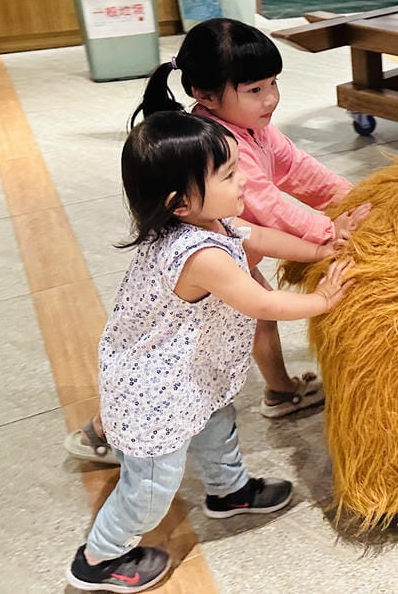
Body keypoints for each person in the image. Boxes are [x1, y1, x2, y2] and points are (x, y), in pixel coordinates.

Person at [67, 111, 353, 591]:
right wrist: (322, 300)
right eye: (229, 174)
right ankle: (99, 556)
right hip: (156, 394)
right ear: (179, 202)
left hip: (194, 373)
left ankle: (228, 490)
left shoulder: (212, 222)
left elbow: (258, 237)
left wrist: (322, 250)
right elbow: (262, 302)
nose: (244, 181)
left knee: (217, 426)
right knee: (150, 485)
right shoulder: (199, 256)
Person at [65, 18, 369, 464]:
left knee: (251, 324)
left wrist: (353, 199)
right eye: (255, 89)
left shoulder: (252, 126)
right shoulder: (215, 144)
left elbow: (297, 170)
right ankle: (107, 430)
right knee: (166, 362)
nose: (271, 98)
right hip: (204, 265)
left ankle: (280, 391)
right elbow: (267, 206)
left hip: (233, 249)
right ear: (204, 95)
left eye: (273, 83)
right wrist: (328, 235)